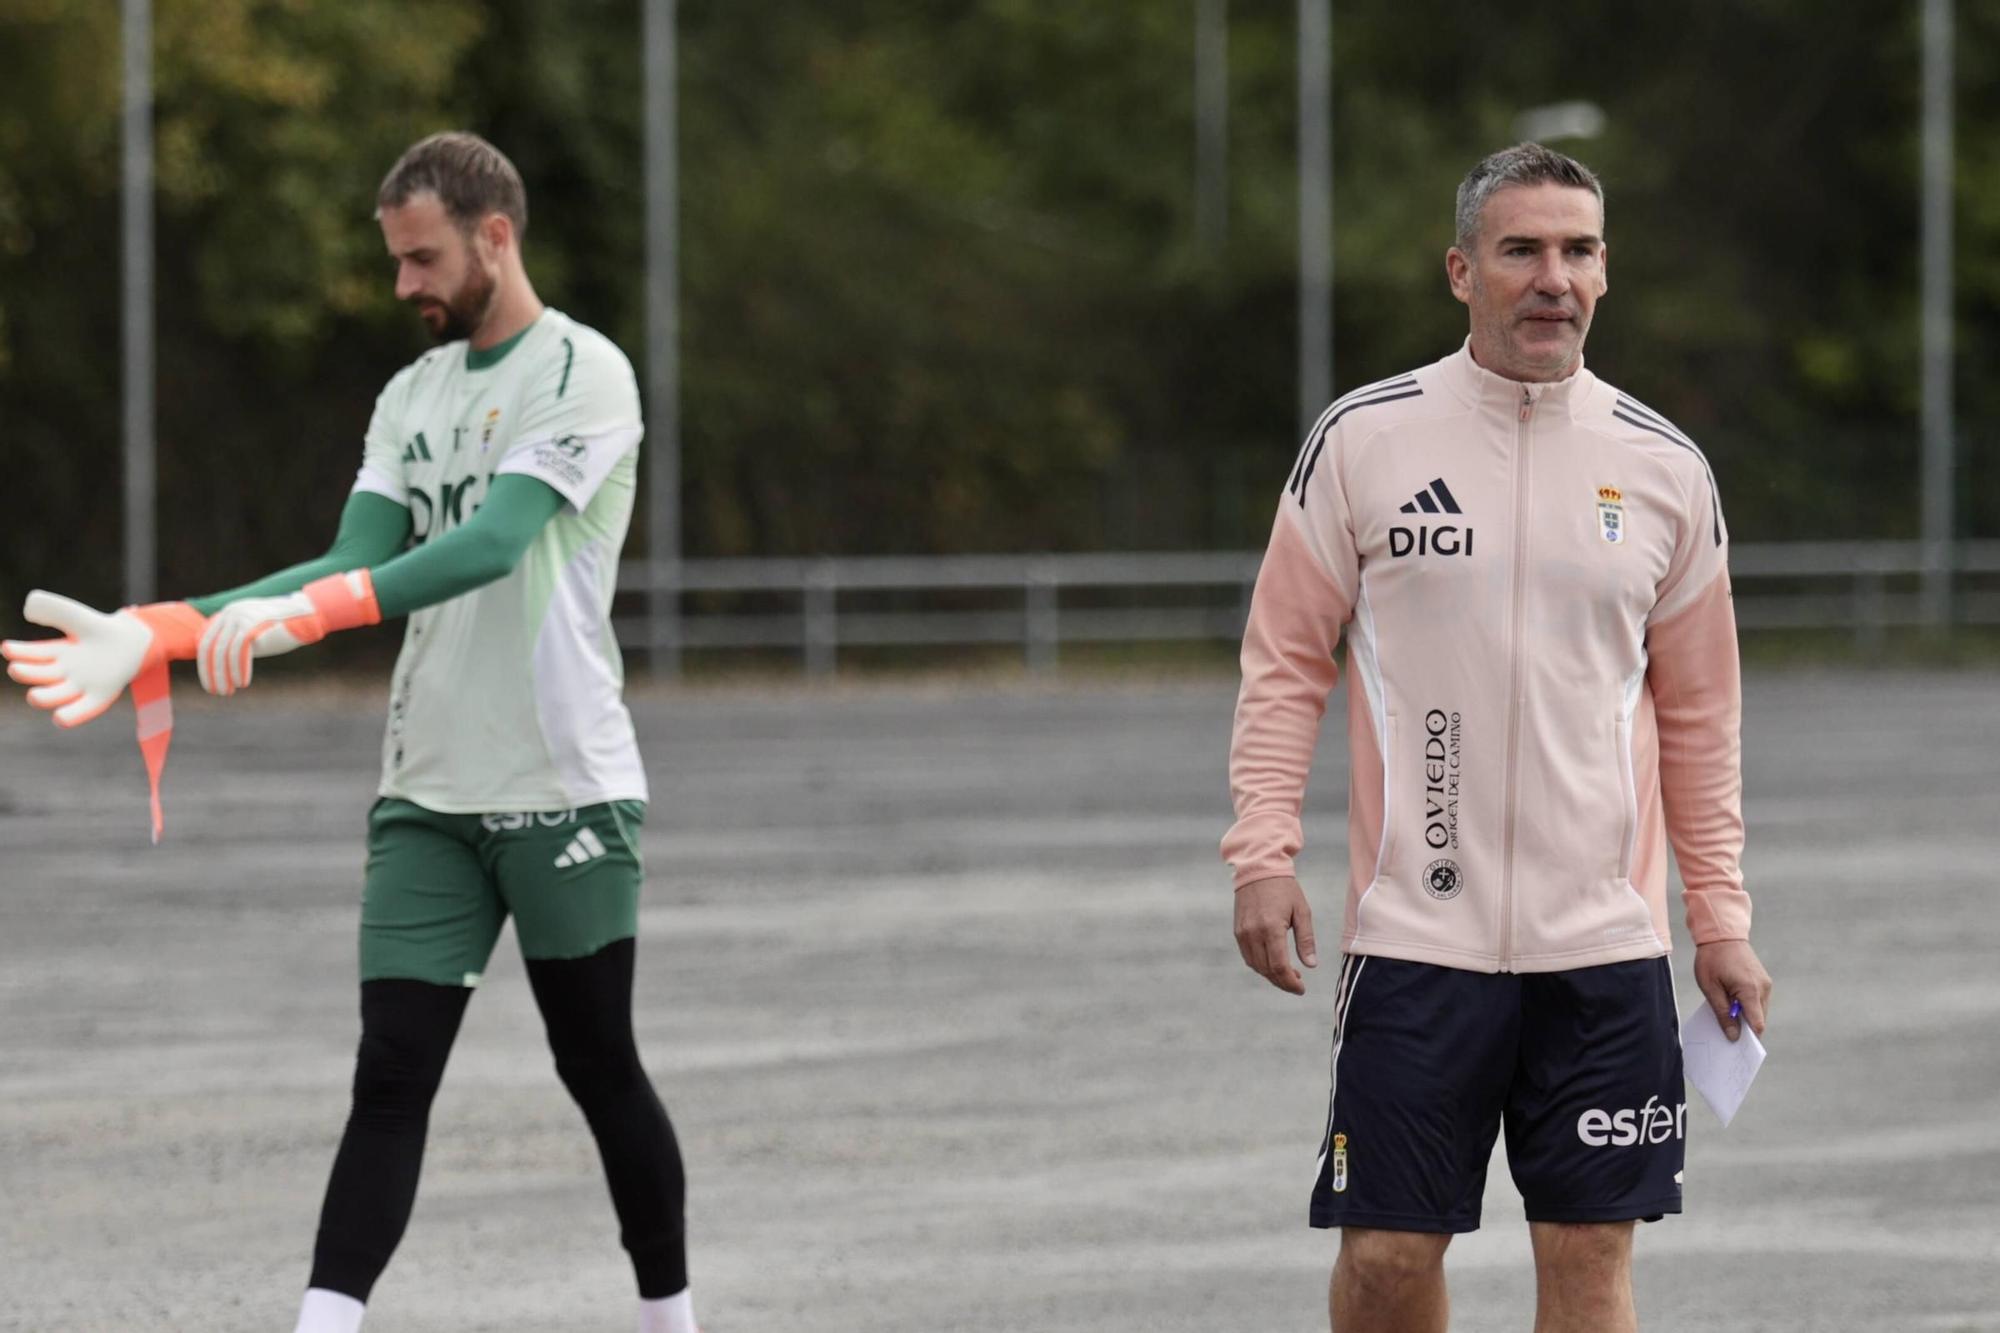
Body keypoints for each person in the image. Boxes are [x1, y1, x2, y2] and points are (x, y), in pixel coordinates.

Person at [3, 132, 698, 1333]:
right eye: (395, 259)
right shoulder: (411, 395)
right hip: (426, 794)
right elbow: (352, 558)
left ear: (494, 237)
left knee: (596, 1065)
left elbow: (491, 543)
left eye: (421, 258)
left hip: (565, 789)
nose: (402, 284)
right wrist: (156, 630)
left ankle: (669, 1322)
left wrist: (317, 614)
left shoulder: (584, 373)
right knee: (390, 1076)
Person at [1222, 142, 1774, 1333]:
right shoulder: (1362, 440)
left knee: (1587, 1255)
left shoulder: (1664, 468)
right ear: (1460, 270)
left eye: (1577, 251)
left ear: (1604, 272)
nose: (1550, 278)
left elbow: (1699, 717)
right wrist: (1260, 853)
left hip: (1604, 947)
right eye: (1520, 249)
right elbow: (1282, 662)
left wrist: (1719, 920)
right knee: (1384, 1255)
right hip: (1415, 938)